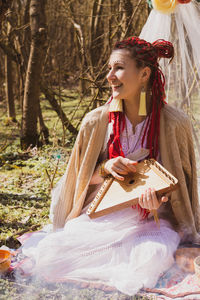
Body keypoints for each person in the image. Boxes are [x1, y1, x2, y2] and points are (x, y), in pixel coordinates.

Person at [20, 36, 200, 296]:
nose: (109, 76)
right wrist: (105, 168)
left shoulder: (174, 123)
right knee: (51, 252)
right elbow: (78, 182)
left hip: (154, 222)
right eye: (109, 68)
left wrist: (157, 202)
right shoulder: (97, 122)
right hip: (104, 217)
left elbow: (183, 193)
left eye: (118, 68)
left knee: (151, 256)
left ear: (144, 73)